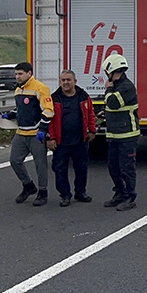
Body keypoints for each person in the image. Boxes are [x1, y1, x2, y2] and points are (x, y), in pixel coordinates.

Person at [1, 62, 54, 207]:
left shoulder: (40, 88)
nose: (17, 77)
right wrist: (10, 114)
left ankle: (43, 192)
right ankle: (28, 185)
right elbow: (21, 109)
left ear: (29, 73)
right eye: (16, 74)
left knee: (40, 165)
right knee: (14, 160)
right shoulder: (18, 90)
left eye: (20, 74)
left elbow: (48, 110)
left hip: (36, 133)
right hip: (21, 132)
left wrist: (42, 129)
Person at [47, 70, 97, 207]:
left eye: (68, 80)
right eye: (63, 80)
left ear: (75, 81)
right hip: (60, 142)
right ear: (60, 82)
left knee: (81, 169)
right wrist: (50, 138)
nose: (66, 83)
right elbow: (48, 120)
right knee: (60, 170)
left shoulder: (83, 96)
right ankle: (65, 195)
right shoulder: (54, 98)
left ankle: (80, 192)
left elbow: (90, 114)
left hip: (80, 140)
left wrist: (92, 130)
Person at [100, 54, 140, 211]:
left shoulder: (126, 86)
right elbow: (110, 106)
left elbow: (113, 103)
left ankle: (130, 197)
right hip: (114, 135)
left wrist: (108, 89)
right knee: (113, 167)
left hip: (127, 135)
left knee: (126, 168)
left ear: (111, 70)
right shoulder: (116, 85)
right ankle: (120, 193)